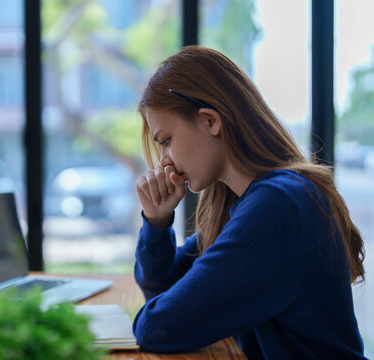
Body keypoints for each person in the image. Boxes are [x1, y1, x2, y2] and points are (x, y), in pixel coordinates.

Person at [133, 45, 366, 359]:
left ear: (210, 121)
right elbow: (166, 294)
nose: (164, 164)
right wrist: (157, 222)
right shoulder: (248, 203)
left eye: (165, 141)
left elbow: (158, 327)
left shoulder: (278, 206)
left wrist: (162, 312)